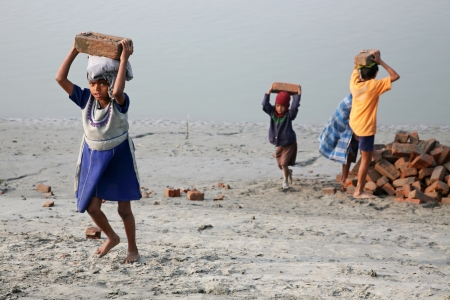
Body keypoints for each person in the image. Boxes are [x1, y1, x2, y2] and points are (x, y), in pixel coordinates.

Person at [55, 39, 141, 263]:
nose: (96, 88)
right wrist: (75, 49)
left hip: (119, 157)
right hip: (93, 156)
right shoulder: (85, 100)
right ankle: (112, 237)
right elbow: (60, 78)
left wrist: (124, 59)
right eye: (93, 83)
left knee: (124, 210)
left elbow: (119, 89)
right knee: (91, 207)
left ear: (111, 83)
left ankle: (133, 249)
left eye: (102, 83)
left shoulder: (119, 102)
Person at [350, 50, 400, 198]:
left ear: (360, 73)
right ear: (375, 74)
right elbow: (395, 76)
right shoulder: (374, 86)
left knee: (366, 150)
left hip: (355, 124)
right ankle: (359, 191)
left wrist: (362, 56)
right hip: (365, 128)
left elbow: (355, 66)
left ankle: (369, 152)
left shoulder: (354, 83)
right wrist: (380, 61)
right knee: (365, 161)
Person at [262, 84, 302, 189]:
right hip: (280, 144)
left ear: (287, 106)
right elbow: (265, 104)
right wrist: (269, 91)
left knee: (284, 163)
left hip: (289, 143)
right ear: (275, 104)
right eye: (278, 105)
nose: (280, 108)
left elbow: (294, 107)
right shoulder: (272, 113)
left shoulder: (289, 115)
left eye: (283, 106)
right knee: (280, 164)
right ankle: (288, 172)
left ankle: (285, 182)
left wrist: (298, 95)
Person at [318, 94, 359, 188]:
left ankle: (344, 178)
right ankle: (344, 179)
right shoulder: (352, 101)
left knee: (348, 154)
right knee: (348, 153)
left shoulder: (356, 97)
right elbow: (352, 117)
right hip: (345, 125)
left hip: (348, 125)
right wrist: (356, 133)